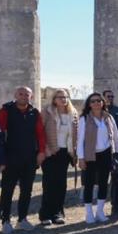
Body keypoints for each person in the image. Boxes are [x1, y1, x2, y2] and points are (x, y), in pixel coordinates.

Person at [0, 87, 47, 233]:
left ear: (31, 97)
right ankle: (5, 221)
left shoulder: (34, 112)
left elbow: (40, 134)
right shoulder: (6, 110)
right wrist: (1, 159)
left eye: (27, 94)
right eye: (21, 94)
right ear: (15, 95)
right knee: (7, 190)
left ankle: (22, 220)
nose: (24, 96)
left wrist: (41, 152)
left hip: (30, 157)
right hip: (11, 157)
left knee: (27, 190)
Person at [76, 92, 118, 224]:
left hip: (106, 153)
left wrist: (116, 151)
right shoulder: (84, 119)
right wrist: (81, 158)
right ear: (89, 104)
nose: (96, 103)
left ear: (103, 103)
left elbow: (116, 136)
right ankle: (89, 213)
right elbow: (80, 140)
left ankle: (100, 212)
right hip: (90, 154)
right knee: (89, 184)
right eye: (93, 101)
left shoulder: (108, 117)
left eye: (99, 101)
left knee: (103, 183)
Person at [39, 88, 78, 226]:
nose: (63, 99)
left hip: (65, 153)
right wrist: (45, 150)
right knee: (49, 184)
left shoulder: (73, 113)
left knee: (61, 184)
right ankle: (45, 214)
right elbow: (40, 132)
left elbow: (76, 134)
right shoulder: (47, 112)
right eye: (60, 97)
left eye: (66, 97)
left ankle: (58, 214)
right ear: (54, 99)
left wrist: (74, 152)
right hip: (50, 152)